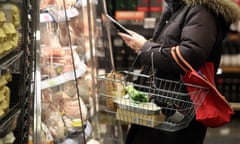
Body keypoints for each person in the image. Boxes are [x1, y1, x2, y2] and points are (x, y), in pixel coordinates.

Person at [118, 0, 240, 144]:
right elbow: (168, 47)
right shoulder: (180, 8)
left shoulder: (202, 11)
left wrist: (145, 47)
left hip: (178, 111)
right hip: (163, 106)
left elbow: (189, 56)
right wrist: (143, 45)